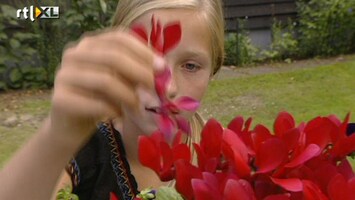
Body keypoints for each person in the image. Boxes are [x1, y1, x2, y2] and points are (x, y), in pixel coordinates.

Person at [0, 0, 225, 200]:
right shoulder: (86, 152)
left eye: (190, 66)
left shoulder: (228, 158)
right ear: (117, 55)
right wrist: (58, 135)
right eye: (145, 58)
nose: (168, 88)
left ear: (213, 70)